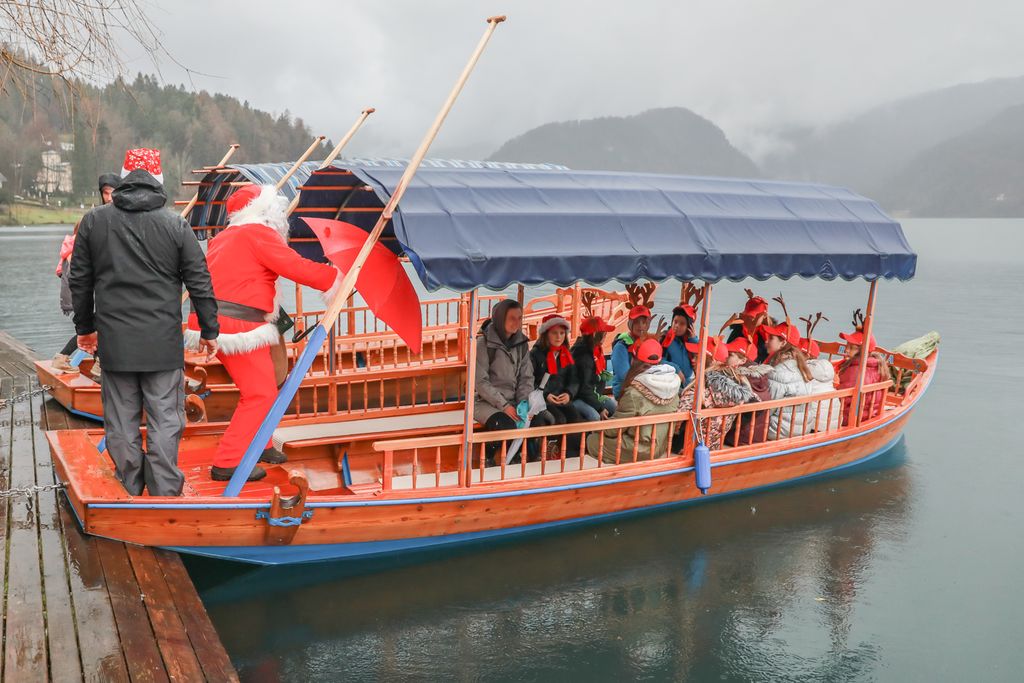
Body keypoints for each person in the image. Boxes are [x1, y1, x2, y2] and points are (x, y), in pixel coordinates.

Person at [70, 148, 219, 497]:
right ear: (159, 180)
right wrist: (209, 330)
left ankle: (130, 487)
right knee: (165, 417)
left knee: (120, 420)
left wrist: (85, 328)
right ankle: (165, 492)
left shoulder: (94, 221)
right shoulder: (175, 224)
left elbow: (80, 280)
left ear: (123, 178)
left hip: (116, 342)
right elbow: (199, 280)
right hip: (162, 343)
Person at [184, 184, 342, 482]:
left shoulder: (224, 237)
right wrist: (336, 278)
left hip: (215, 320)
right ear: (265, 209)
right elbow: (294, 266)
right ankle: (227, 462)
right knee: (260, 393)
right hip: (237, 322)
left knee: (266, 383)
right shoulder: (257, 233)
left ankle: (262, 444)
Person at [52, 173, 122, 375]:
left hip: (89, 289)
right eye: (105, 193)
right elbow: (81, 271)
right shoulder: (90, 226)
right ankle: (94, 363)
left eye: (112, 192)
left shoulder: (104, 220)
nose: (109, 197)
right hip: (84, 290)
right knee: (97, 324)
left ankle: (95, 363)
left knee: (97, 324)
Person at [588, 338, 681, 464]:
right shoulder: (673, 385)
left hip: (641, 449)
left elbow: (615, 429)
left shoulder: (634, 392)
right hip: (661, 447)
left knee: (593, 440)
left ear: (635, 360)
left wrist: (599, 427)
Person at [474, 299, 543, 465]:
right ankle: (489, 459)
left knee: (537, 421)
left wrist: (524, 404)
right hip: (486, 402)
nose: (516, 323)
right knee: (504, 425)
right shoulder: (483, 344)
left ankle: (525, 460)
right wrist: (504, 406)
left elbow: (526, 377)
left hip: (513, 402)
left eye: (519, 318)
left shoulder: (521, 344)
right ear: (500, 318)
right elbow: (481, 382)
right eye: (512, 318)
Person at [678, 336, 757, 450]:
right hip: (714, 446)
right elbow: (756, 402)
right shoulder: (738, 387)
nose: (692, 360)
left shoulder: (701, 389)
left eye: (697, 357)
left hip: (690, 447)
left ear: (711, 360)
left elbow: (677, 420)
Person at [761, 322, 818, 439]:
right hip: (801, 428)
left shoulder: (778, 371)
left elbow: (768, 408)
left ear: (783, 342)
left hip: (779, 430)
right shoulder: (801, 366)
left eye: (771, 338)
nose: (766, 341)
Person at [530, 315, 581, 426]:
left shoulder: (566, 354)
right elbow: (529, 380)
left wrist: (569, 393)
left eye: (562, 333)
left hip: (561, 398)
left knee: (575, 418)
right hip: (543, 400)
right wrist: (546, 395)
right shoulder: (535, 354)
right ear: (546, 334)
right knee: (559, 419)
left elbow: (574, 379)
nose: (559, 337)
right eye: (554, 333)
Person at [836, 327, 891, 426]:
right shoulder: (877, 365)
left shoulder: (855, 371)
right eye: (847, 345)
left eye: (852, 347)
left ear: (862, 351)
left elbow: (841, 398)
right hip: (869, 413)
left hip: (850, 417)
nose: (846, 350)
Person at [723, 337, 773, 446]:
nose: (726, 357)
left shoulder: (739, 380)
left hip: (737, 439)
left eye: (730, 355)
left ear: (743, 360)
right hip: (758, 437)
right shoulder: (761, 378)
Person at [571, 316, 617, 421]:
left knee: (614, 409)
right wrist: (600, 408)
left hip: (592, 395)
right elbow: (584, 389)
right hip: (577, 397)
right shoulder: (583, 356)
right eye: (603, 333)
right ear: (595, 335)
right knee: (594, 416)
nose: (605, 335)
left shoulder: (595, 351)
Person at [611, 304, 652, 398]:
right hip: (624, 390)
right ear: (630, 324)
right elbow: (624, 375)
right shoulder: (621, 346)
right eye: (636, 322)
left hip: (643, 386)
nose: (640, 326)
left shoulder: (648, 342)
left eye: (644, 322)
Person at [662, 304, 699, 385]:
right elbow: (658, 361)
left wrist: (693, 339)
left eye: (682, 324)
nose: (677, 326)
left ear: (689, 327)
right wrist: (676, 369)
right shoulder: (665, 338)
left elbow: (700, 356)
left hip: (686, 383)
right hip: (670, 382)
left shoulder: (691, 340)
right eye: (675, 322)